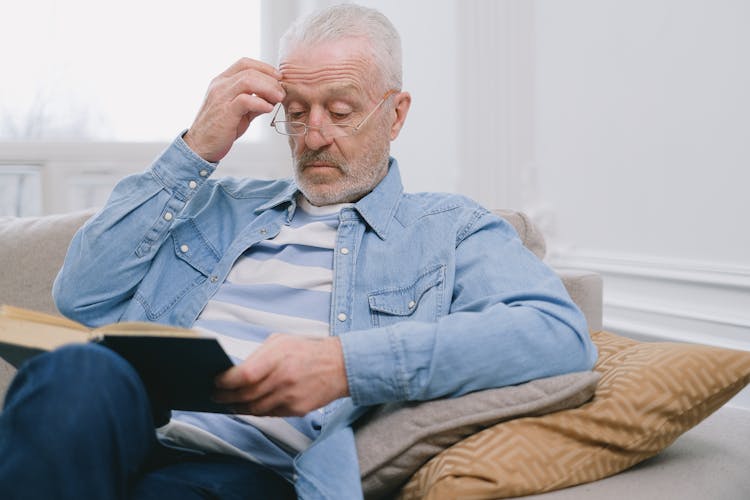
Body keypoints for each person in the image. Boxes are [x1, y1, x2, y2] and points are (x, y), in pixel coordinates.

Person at [0, 4, 597, 499]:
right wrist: (196, 149)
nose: (313, 136)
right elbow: (80, 294)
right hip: (129, 427)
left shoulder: (451, 228)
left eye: (340, 112)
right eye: (295, 113)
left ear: (396, 114)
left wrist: (342, 365)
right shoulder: (218, 203)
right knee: (77, 371)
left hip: (247, 472)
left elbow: (556, 333)